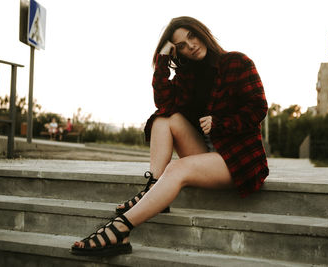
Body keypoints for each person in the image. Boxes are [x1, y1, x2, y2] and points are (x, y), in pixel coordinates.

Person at [71, 16, 269, 256]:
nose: (191, 45)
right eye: (182, 45)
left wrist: (221, 123)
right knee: (164, 118)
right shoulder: (187, 76)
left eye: (192, 36)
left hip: (237, 159)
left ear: (201, 32)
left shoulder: (237, 62)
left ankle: (120, 229)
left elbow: (258, 107)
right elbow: (164, 102)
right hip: (204, 153)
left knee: (176, 169)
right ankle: (153, 188)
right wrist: (162, 60)